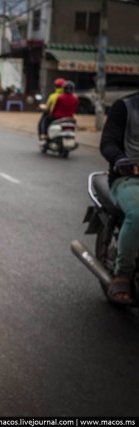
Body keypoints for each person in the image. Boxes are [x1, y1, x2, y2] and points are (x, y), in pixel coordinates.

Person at [99, 91, 139, 304]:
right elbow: (107, 143)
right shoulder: (125, 107)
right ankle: (123, 273)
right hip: (129, 178)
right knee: (138, 213)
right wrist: (120, 158)